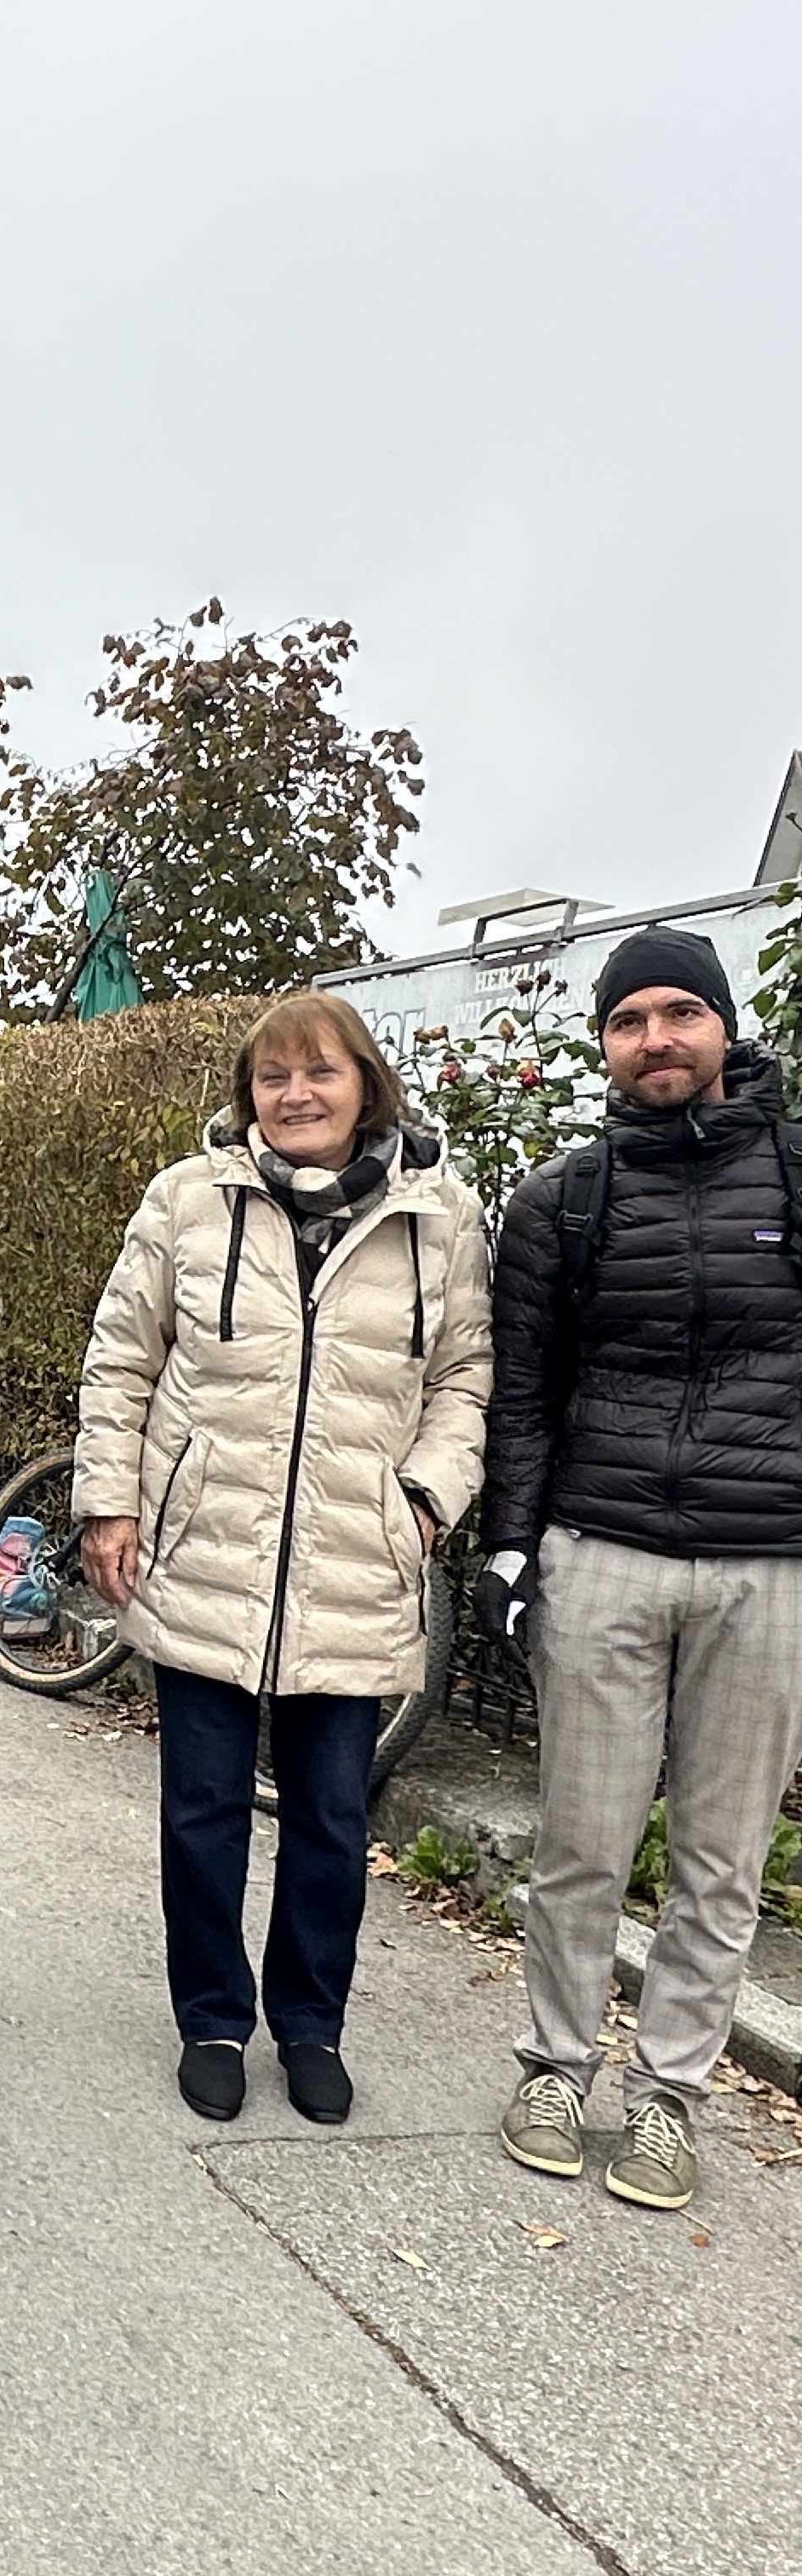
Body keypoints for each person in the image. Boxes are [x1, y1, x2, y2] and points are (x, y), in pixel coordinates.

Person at [74, 991, 492, 2126]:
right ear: (248, 1094)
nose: (297, 1095)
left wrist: (426, 1499)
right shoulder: (188, 1199)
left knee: (330, 1818)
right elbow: (122, 1360)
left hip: (355, 1554)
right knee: (201, 1809)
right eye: (274, 1077)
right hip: (205, 1546)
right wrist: (108, 1502)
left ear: (367, 1086)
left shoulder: (439, 1217)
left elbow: (464, 1379)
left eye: (320, 1073)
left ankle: (311, 2024)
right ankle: (213, 2017)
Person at [480, 928, 802, 2213]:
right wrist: (512, 1541)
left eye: (679, 1013)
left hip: (769, 1565)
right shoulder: (564, 1200)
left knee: (723, 1862)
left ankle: (669, 2097)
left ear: (723, 1025)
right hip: (602, 1551)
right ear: (605, 1045)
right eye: (628, 1021)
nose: (655, 1039)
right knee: (581, 1844)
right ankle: (556, 2069)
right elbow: (522, 1392)